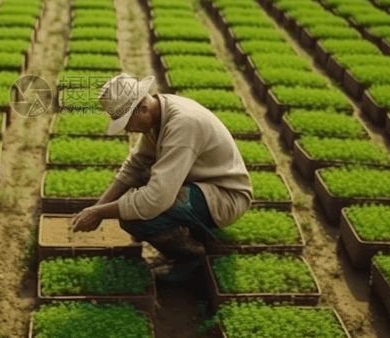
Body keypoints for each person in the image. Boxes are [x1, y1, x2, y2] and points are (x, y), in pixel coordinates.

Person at [70, 72, 253, 284]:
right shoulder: (157, 115)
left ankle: (191, 259)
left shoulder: (183, 124)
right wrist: (98, 208)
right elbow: (136, 166)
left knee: (139, 213)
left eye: (127, 122)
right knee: (135, 198)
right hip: (198, 184)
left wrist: (102, 212)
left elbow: (157, 199)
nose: (128, 129)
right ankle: (186, 233)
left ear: (142, 108)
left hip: (225, 196)